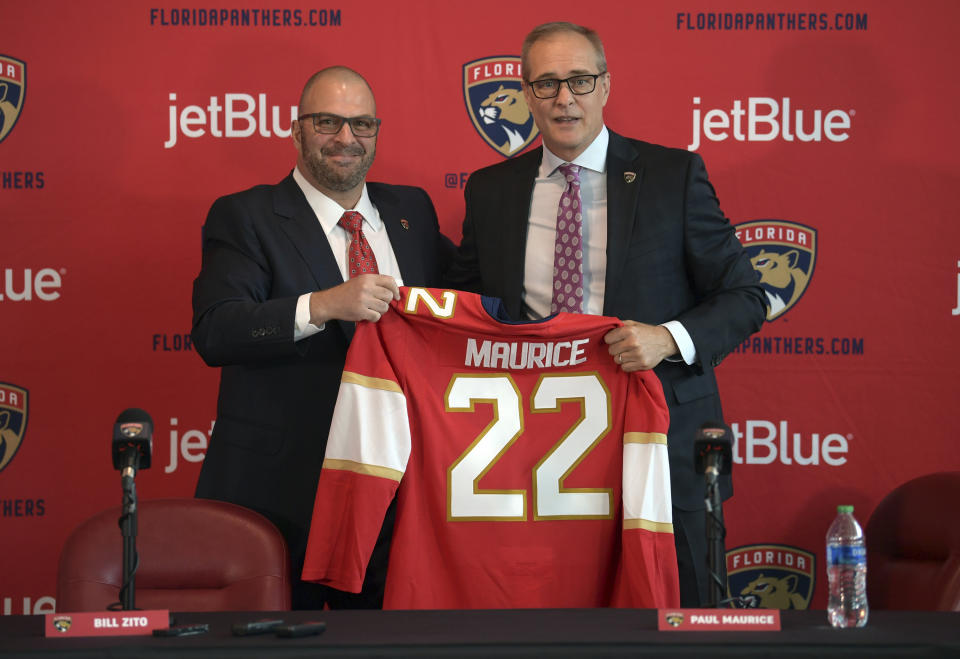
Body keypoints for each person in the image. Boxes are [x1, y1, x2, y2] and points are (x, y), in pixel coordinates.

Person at [445, 22, 766, 606]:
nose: (564, 98)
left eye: (580, 80)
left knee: (681, 611)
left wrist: (668, 338)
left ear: (606, 86)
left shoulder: (674, 177)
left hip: (659, 441)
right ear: (526, 93)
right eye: (546, 84)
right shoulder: (490, 190)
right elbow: (468, 309)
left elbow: (746, 295)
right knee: (553, 620)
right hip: (536, 454)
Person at [192, 66, 452, 610]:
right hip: (282, 492)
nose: (345, 138)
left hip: (399, 488)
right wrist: (325, 305)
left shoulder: (412, 212)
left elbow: (469, 304)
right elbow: (217, 329)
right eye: (328, 121)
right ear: (297, 129)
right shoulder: (246, 215)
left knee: (393, 644)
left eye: (361, 124)